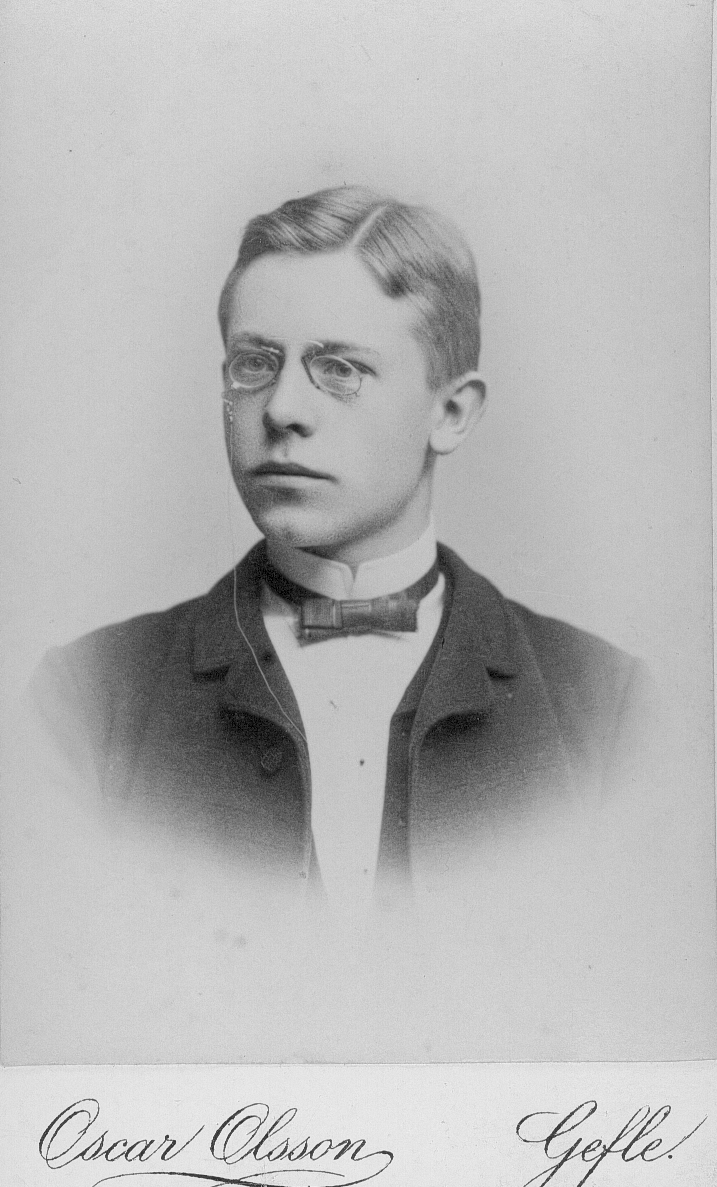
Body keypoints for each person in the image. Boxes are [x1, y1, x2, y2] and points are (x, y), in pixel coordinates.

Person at [10, 186, 712, 1063]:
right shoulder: (86, 701)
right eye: (253, 363)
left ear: (451, 411)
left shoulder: (608, 709)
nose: (282, 409)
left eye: (338, 368)